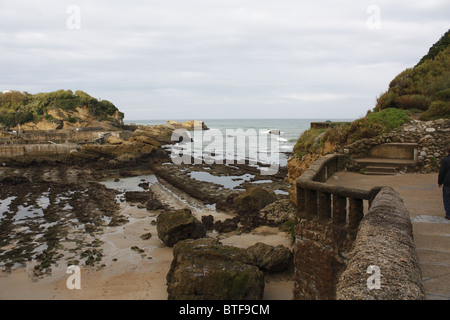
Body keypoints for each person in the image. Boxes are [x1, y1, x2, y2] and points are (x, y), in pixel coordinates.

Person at [438, 144, 450, 220]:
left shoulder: (445, 160)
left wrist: (440, 182)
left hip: (448, 181)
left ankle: (448, 214)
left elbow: (442, 172)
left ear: (447, 152)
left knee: (447, 198)